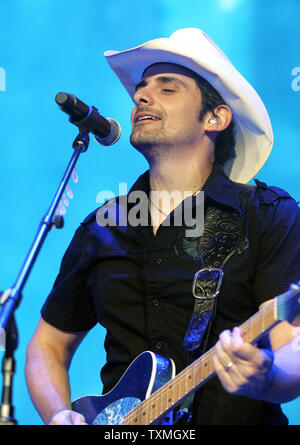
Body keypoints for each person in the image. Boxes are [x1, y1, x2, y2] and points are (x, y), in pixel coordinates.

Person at [25, 28, 300, 426]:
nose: (141, 96)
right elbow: (45, 347)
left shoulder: (267, 214)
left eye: (167, 88)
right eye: (141, 88)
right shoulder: (104, 226)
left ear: (215, 117)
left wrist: (267, 376)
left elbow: (292, 346)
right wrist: (58, 414)